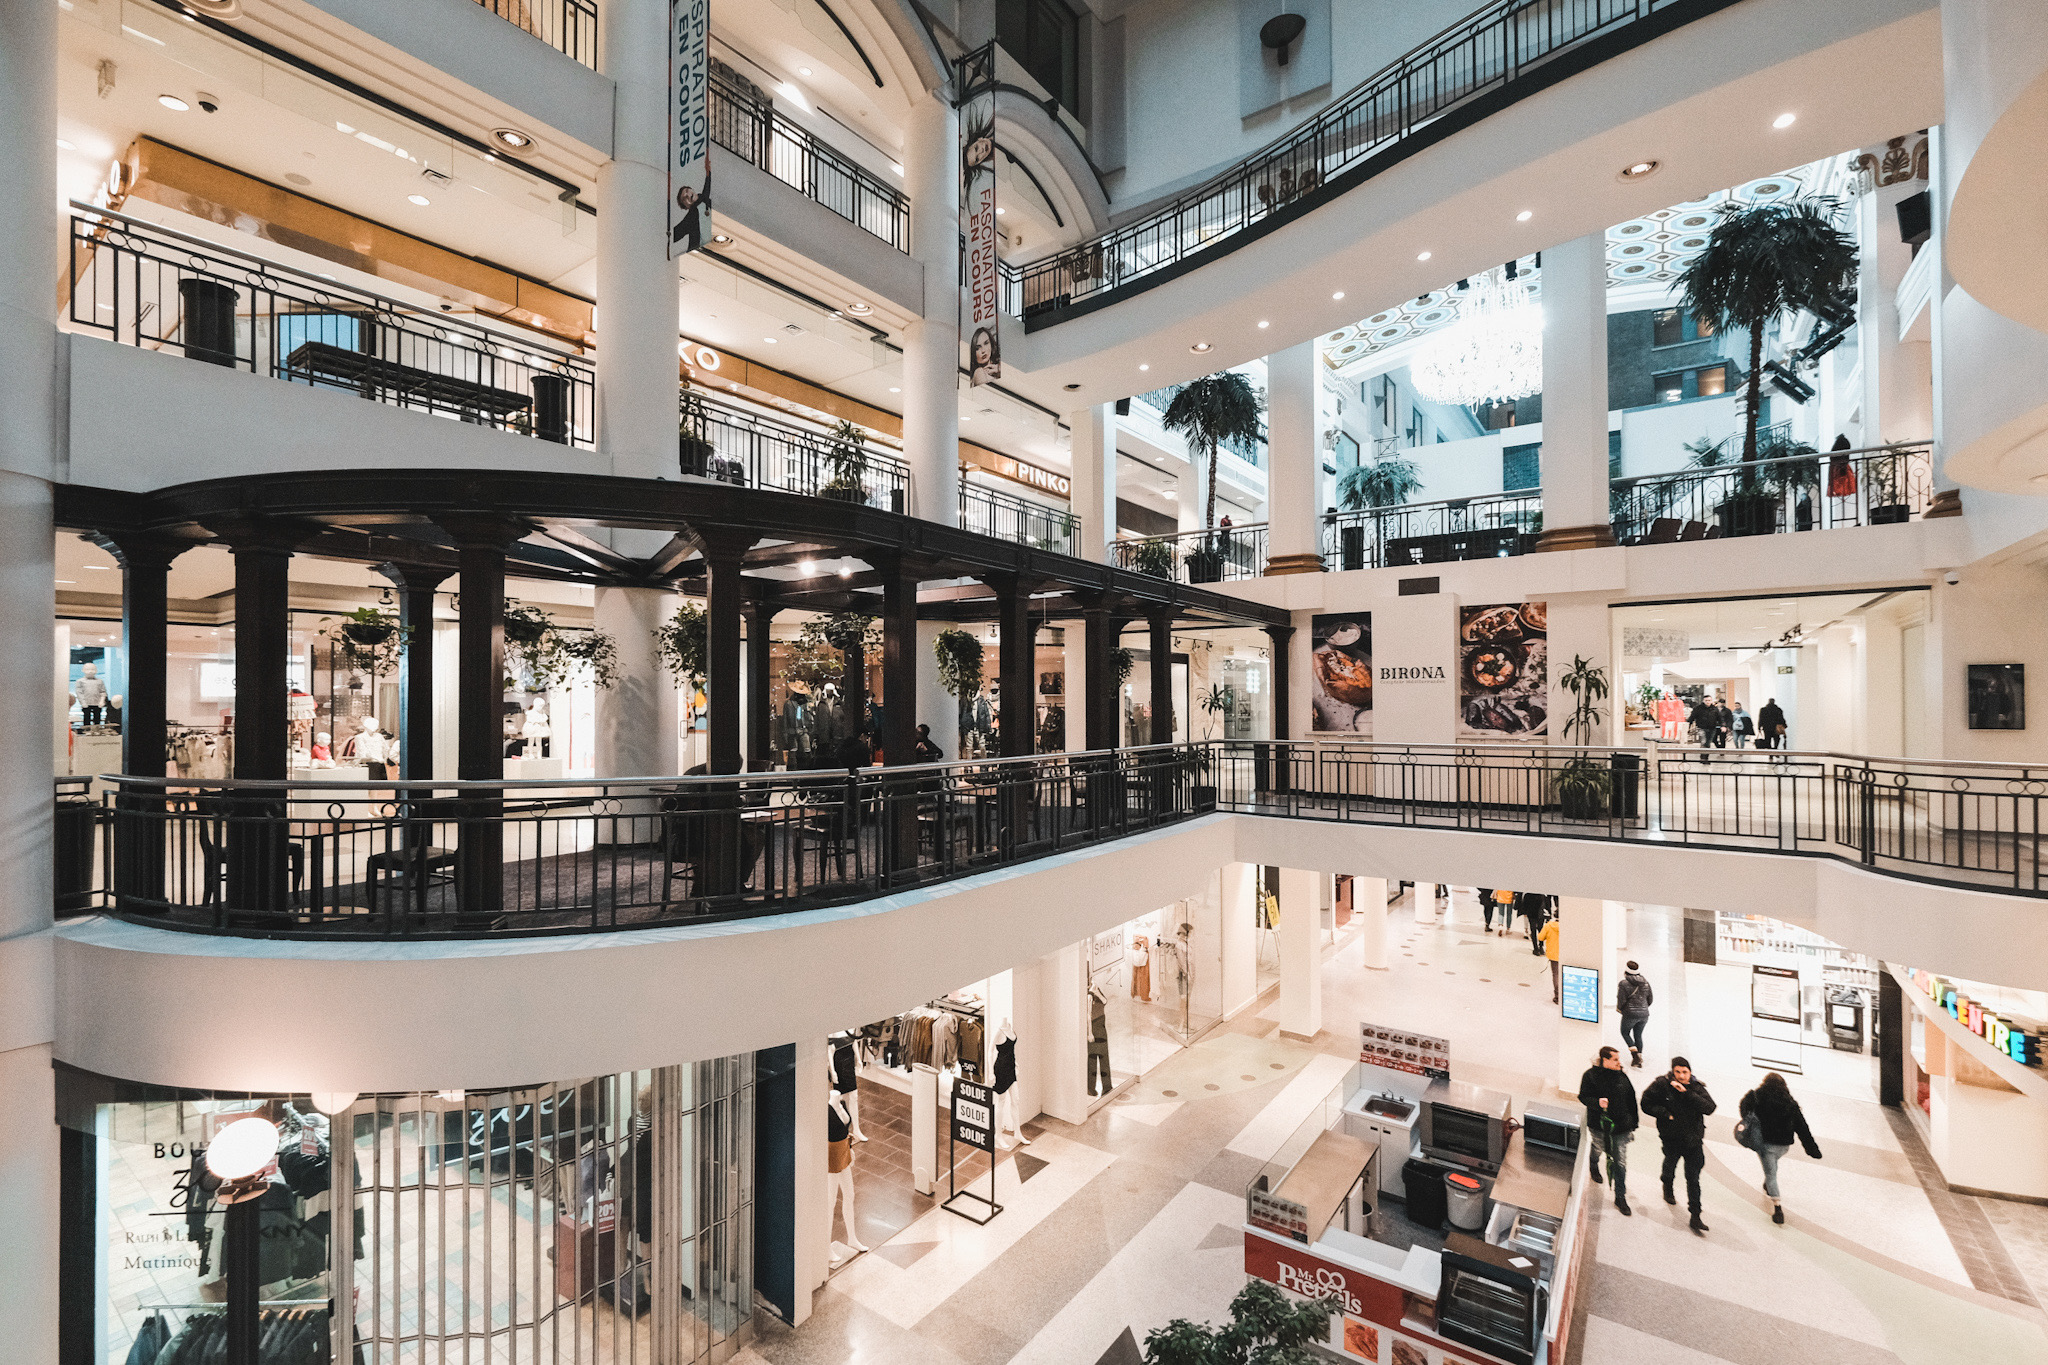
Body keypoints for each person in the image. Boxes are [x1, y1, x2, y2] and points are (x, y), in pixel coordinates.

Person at [1640, 1057, 1716, 1233]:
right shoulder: (1661, 1084)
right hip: (1671, 1137)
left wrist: (1687, 1093)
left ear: (1690, 1072)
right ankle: (1667, 1184)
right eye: (1678, 1072)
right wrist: (1665, 1114)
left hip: (1693, 1140)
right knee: (1670, 1163)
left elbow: (1710, 1108)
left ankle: (1695, 1215)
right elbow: (1646, 1103)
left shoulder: (1696, 1088)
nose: (1682, 1076)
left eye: (1685, 1072)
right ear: (1673, 1072)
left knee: (1693, 1178)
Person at [1740, 1071, 1823, 1224]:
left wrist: (1751, 1119)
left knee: (1771, 1174)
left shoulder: (1756, 1096)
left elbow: (1743, 1107)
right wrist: (1812, 1149)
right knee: (1772, 1166)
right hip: (1784, 1147)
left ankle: (1777, 1208)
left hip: (1765, 1144)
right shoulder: (1790, 1103)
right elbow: (1802, 1127)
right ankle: (1767, 1183)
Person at [1578, 1046, 1639, 1215]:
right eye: (1616, 1060)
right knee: (1599, 1149)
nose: (1620, 1063)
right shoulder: (1590, 1076)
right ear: (1605, 1060)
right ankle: (1593, 1163)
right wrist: (1597, 1103)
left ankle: (1620, 1197)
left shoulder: (1622, 1077)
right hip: (1599, 1126)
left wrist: (1633, 1122)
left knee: (1620, 1162)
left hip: (1621, 1127)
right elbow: (1583, 1096)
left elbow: (1631, 1099)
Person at [1616, 960, 1653, 1067]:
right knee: (1638, 1035)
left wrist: (1621, 1009)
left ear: (1626, 972)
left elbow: (1621, 999)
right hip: (1644, 1015)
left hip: (1630, 1014)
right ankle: (1639, 1059)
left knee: (1625, 1033)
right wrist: (1643, 1008)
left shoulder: (1624, 983)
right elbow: (1650, 999)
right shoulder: (1646, 982)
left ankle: (1635, 1056)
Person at [1537, 914, 1561, 1001]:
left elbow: (1540, 937)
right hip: (1566, 954)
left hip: (1554, 954)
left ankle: (1558, 996)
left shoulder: (1549, 926)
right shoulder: (1569, 927)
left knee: (1556, 974)